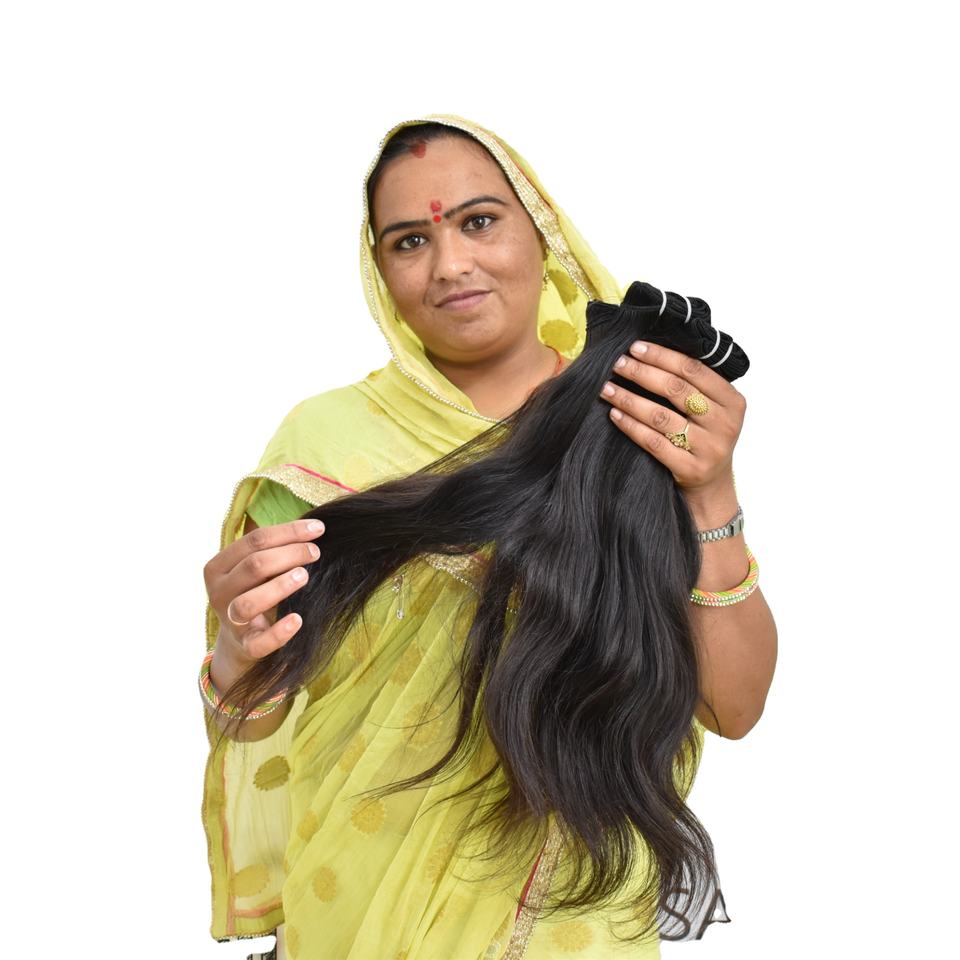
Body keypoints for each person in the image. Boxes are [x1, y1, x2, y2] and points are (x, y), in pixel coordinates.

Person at [199, 114, 777, 959]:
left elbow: (734, 707)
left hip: (575, 926)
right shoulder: (324, 446)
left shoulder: (638, 419)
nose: (450, 265)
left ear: (542, 233)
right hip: (365, 915)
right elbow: (257, 720)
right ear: (379, 271)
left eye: (478, 222)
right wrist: (234, 657)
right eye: (409, 241)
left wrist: (712, 490)